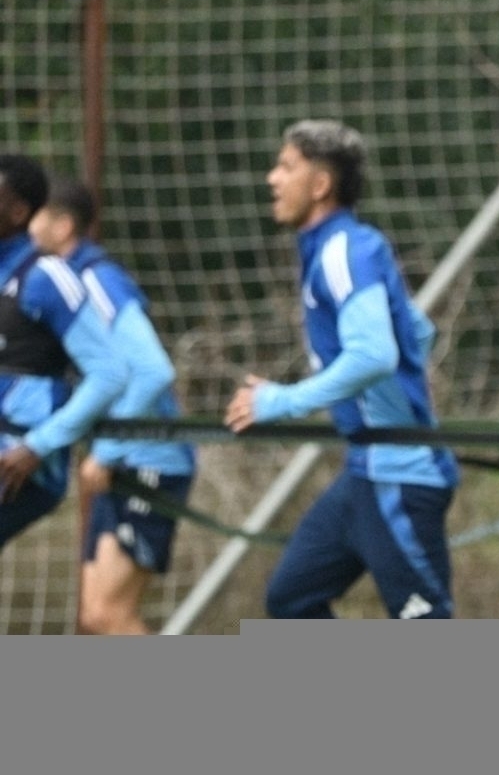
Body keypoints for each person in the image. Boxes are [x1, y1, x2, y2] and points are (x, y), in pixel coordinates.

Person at [224, 120, 460, 619]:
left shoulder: (344, 250)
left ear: (320, 185)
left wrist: (281, 401)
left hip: (400, 476)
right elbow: (417, 333)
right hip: (363, 472)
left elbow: (374, 355)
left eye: (286, 166)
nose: (272, 178)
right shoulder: (339, 249)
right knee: (291, 600)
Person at [28, 178, 198, 634]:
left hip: (151, 462)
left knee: (108, 613)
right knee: (95, 615)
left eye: (35, 216)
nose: (26, 227)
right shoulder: (62, 283)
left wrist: (106, 452)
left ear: (63, 226)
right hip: (123, 461)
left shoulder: (97, 280)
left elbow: (154, 370)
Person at [0, 153, 131, 555]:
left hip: (19, 463)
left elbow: (111, 373)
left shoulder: (46, 277)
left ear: (18, 211)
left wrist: (38, 445)